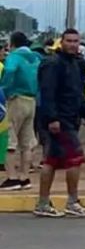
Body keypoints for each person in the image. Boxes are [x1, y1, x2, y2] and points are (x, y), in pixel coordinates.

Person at [34, 29, 85, 218]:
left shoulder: (75, 64)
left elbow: (77, 93)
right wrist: (52, 119)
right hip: (58, 121)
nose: (73, 44)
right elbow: (48, 93)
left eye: (76, 41)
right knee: (74, 159)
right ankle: (72, 201)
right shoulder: (53, 64)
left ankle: (43, 203)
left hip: (70, 118)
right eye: (69, 41)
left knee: (51, 161)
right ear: (61, 42)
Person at [0, 31, 40, 191]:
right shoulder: (36, 58)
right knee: (26, 142)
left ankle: (12, 178)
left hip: (15, 99)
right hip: (31, 100)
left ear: (13, 43)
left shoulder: (14, 57)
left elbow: (9, 71)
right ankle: (25, 177)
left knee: (9, 139)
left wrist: (5, 89)